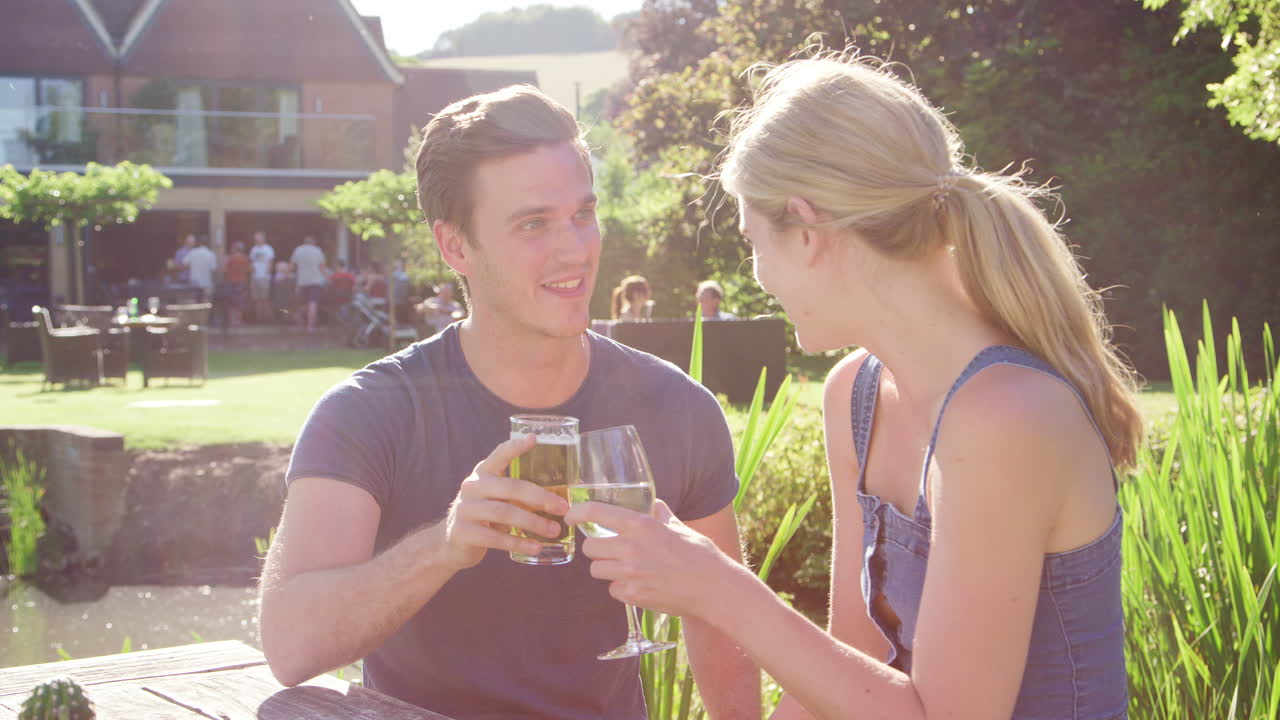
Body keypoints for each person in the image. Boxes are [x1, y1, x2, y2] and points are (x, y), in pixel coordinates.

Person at [565, 55, 1143, 720]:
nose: (760, 276)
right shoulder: (855, 396)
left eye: (756, 243)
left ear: (808, 232)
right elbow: (850, 674)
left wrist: (718, 589)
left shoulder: (1006, 418)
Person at [258, 85, 758, 719]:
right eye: (533, 224)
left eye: (583, 213)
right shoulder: (369, 412)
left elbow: (726, 631)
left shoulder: (677, 407)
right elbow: (289, 645)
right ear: (455, 247)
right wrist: (443, 546)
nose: (576, 249)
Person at [290, 235, 326, 332]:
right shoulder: (318, 251)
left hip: (302, 281)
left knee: (303, 304)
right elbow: (322, 267)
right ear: (313, 242)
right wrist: (326, 278)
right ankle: (310, 326)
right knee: (313, 303)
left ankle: (300, 323)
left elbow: (292, 266)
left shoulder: (298, 250)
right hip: (315, 281)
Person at [249, 231, 275, 323]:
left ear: (263, 238)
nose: (256, 239)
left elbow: (271, 262)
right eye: (255, 238)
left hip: (264, 277)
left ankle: (268, 319)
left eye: (258, 238)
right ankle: (259, 319)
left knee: (265, 299)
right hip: (255, 277)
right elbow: (251, 262)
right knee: (257, 299)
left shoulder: (268, 249)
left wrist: (267, 274)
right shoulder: (253, 249)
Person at [223, 241, 250, 327]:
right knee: (240, 302)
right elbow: (249, 270)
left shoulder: (230, 258)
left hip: (231, 281)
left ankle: (232, 321)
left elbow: (225, 270)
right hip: (242, 282)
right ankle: (239, 321)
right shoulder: (245, 258)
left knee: (231, 302)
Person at [182, 238, 217, 303]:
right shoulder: (211, 254)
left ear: (199, 243)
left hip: (194, 283)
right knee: (205, 305)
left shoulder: (192, 252)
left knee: (194, 304)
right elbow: (213, 270)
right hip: (206, 283)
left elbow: (184, 263)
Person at [271, 260, 296, 324]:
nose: (283, 269)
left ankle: (289, 317)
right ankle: (285, 318)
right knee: (282, 307)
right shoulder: (277, 277)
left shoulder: (291, 276)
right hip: (281, 297)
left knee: (288, 307)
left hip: (289, 296)